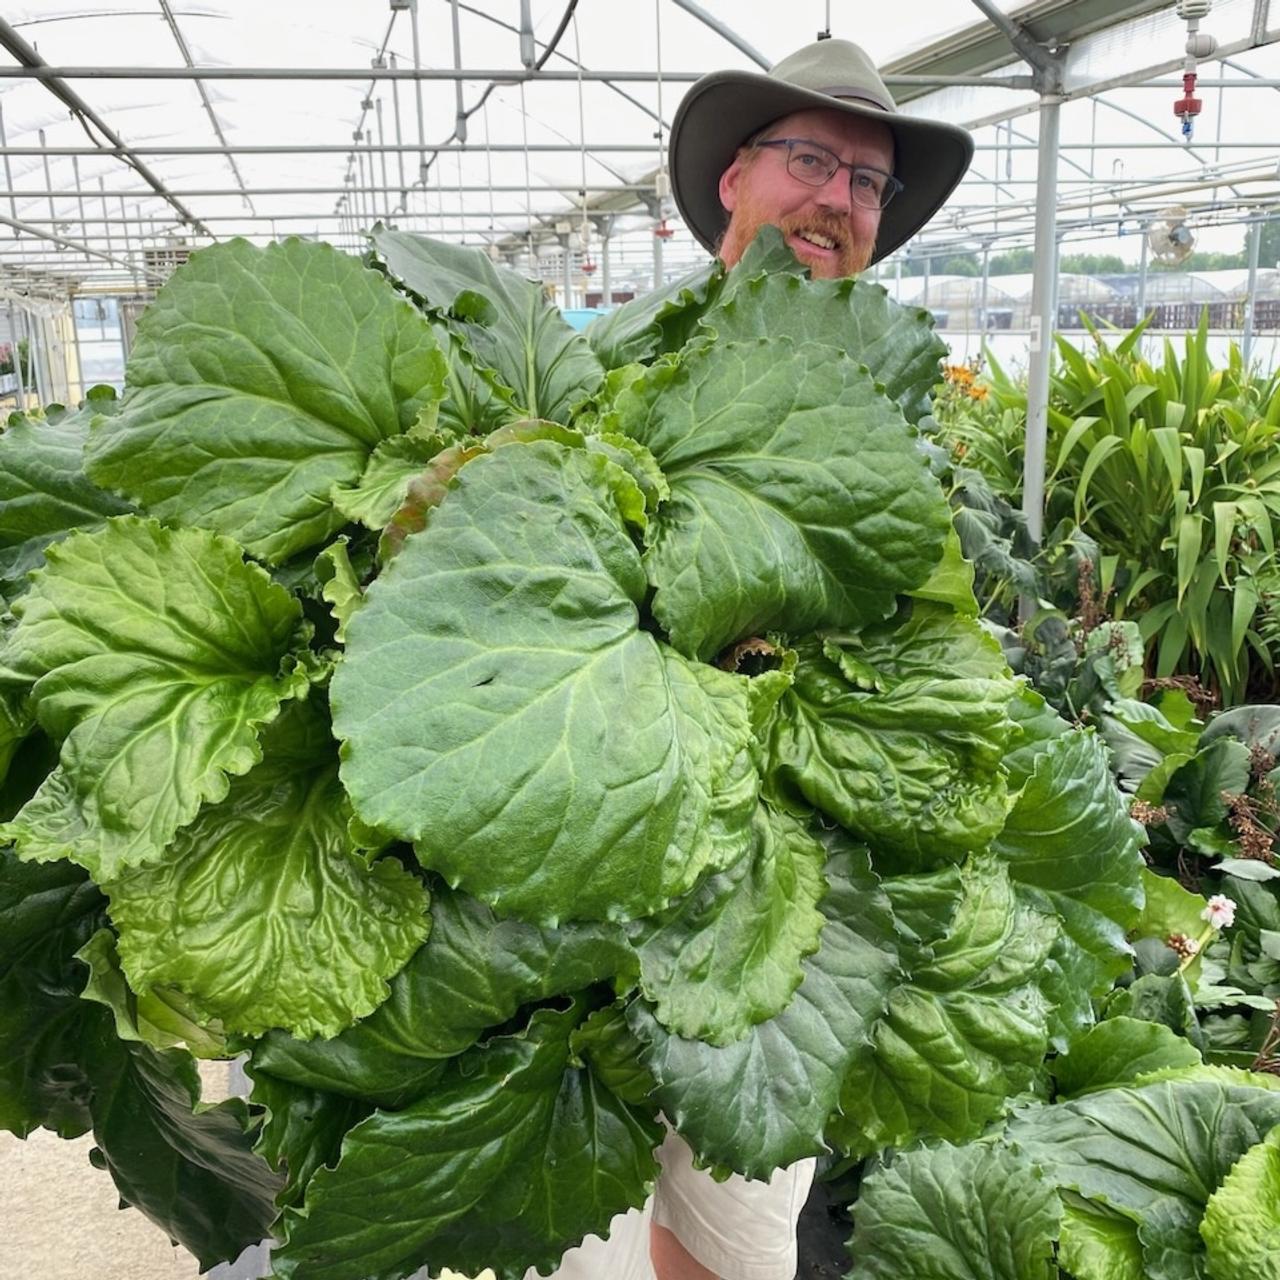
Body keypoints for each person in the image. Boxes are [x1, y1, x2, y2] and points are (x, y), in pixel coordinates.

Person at [537, 37, 974, 1280]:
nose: (837, 200)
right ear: (731, 181)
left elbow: (911, 636)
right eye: (810, 160)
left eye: (867, 183)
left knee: (740, 1236)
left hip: (780, 913)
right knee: (588, 1254)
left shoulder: (891, 408)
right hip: (574, 909)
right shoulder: (599, 369)